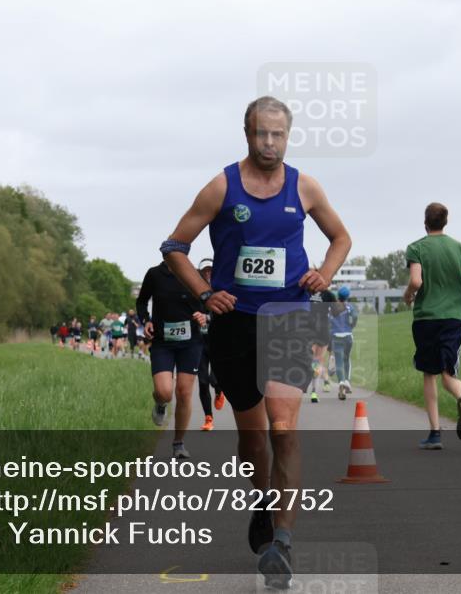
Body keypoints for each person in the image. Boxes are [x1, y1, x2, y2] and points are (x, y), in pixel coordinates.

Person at [161, 96, 351, 589]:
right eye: (261, 134)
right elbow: (174, 247)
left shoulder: (304, 186)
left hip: (289, 314)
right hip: (235, 322)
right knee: (251, 436)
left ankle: (282, 543)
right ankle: (263, 505)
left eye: (278, 135)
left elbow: (341, 238)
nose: (270, 143)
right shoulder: (221, 186)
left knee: (284, 427)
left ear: (289, 136)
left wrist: (322, 275)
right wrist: (204, 293)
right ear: (246, 133)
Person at [403, 202, 461, 450]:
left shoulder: (417, 247)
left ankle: (435, 434)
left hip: (426, 318)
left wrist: (408, 295)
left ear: (425, 223)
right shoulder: (459, 247)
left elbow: (416, 280)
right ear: (445, 222)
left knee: (429, 374)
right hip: (454, 316)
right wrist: (460, 294)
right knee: (449, 374)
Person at [137, 261, 206, 459]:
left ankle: (178, 443)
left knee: (184, 392)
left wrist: (204, 314)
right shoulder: (154, 274)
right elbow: (142, 301)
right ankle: (160, 404)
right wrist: (146, 320)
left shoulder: (194, 274)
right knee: (164, 392)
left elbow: (208, 301)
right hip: (163, 342)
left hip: (191, 342)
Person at [195, 258, 224, 430]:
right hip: (199, 342)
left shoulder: (221, 290)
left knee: (215, 379)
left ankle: (220, 390)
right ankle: (208, 418)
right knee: (202, 380)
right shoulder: (194, 291)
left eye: (211, 271)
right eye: (205, 271)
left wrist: (208, 317)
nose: (208, 274)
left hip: (218, 340)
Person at [330, 285, 358, 400]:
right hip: (348, 336)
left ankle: (341, 381)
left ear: (338, 295)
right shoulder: (350, 307)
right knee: (347, 359)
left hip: (336, 336)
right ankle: (347, 381)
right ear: (347, 296)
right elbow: (355, 316)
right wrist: (352, 325)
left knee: (339, 361)